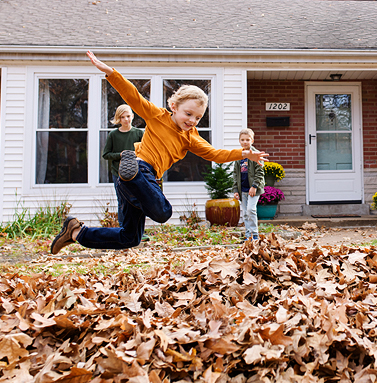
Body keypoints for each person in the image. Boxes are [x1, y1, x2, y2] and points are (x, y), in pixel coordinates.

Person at [50, 51, 269, 254]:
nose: (192, 121)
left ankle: (76, 232)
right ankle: (132, 170)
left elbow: (214, 154)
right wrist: (111, 73)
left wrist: (245, 153)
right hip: (141, 171)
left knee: (130, 237)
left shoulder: (190, 137)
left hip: (133, 182)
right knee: (163, 212)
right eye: (189, 113)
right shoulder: (157, 116)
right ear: (174, 106)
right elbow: (134, 97)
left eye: (198, 118)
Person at [232, 128, 265, 241]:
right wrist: (235, 189)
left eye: (247, 139)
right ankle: (248, 235)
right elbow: (235, 174)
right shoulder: (238, 156)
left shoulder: (255, 154)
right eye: (242, 140)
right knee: (245, 213)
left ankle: (255, 234)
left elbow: (260, 172)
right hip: (243, 189)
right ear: (239, 141)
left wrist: (254, 186)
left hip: (253, 189)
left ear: (252, 140)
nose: (245, 142)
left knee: (251, 210)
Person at [102, 104, 144, 178]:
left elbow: (146, 152)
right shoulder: (113, 134)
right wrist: (120, 155)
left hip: (136, 173)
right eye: (122, 117)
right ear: (119, 118)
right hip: (117, 173)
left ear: (132, 116)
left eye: (128, 116)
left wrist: (136, 154)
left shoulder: (139, 133)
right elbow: (106, 154)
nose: (126, 119)